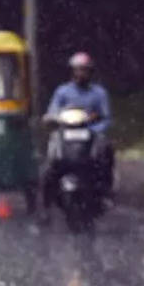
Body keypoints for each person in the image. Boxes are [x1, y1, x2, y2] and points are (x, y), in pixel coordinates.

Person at [40, 52, 113, 211]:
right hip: (66, 135)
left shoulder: (99, 93)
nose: (81, 73)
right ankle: (46, 207)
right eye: (78, 70)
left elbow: (106, 118)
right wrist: (51, 119)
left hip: (90, 136)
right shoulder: (63, 92)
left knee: (106, 154)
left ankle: (106, 193)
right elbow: (53, 111)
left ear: (90, 72)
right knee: (49, 166)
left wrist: (93, 130)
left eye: (85, 70)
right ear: (72, 71)